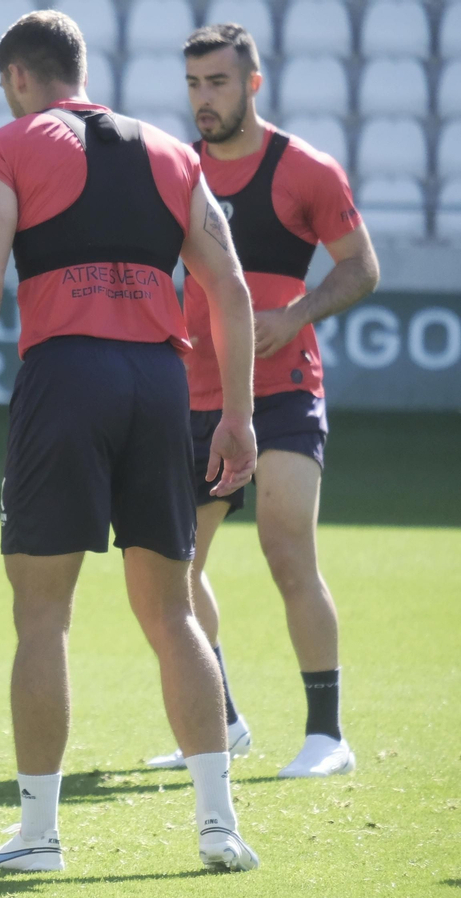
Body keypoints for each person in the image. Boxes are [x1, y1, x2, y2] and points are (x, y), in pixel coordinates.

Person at [0, 11, 261, 873]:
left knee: (43, 614)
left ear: (16, 78)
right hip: (161, 382)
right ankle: (219, 825)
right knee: (173, 610)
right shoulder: (170, 151)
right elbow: (229, 289)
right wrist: (238, 413)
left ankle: (39, 835)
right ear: (80, 69)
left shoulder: (1, 148)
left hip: (66, 376)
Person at [144, 23, 379, 779]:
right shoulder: (177, 168)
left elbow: (361, 268)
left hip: (282, 391)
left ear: (252, 84)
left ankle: (326, 735)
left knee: (287, 548)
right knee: (172, 572)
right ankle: (222, 721)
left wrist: (298, 314)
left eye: (216, 82)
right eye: (192, 85)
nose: (202, 99)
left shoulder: (305, 169)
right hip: (194, 396)